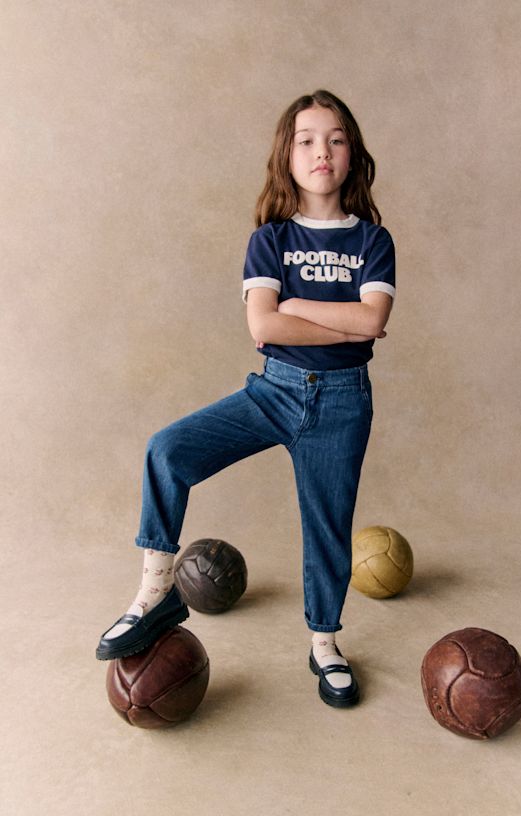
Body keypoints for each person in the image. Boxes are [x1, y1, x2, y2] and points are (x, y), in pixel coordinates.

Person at [96, 89, 396, 709]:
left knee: (327, 526)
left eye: (336, 139)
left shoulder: (372, 240)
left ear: (353, 154)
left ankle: (324, 643)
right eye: (307, 139)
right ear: (287, 156)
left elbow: (373, 322)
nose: (322, 151)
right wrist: (333, 318)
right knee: (167, 449)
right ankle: (155, 591)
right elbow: (265, 328)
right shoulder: (270, 239)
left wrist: (296, 306)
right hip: (275, 390)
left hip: (343, 402)